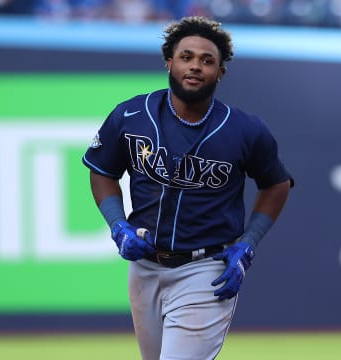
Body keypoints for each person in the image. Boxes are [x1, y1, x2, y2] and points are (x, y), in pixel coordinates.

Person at [82, 16, 293, 360]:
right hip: (144, 265)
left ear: (221, 72)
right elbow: (102, 170)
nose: (195, 66)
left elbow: (277, 184)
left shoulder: (244, 130)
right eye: (186, 56)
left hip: (206, 268)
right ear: (169, 62)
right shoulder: (132, 115)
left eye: (207, 60)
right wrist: (117, 224)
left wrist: (248, 243)